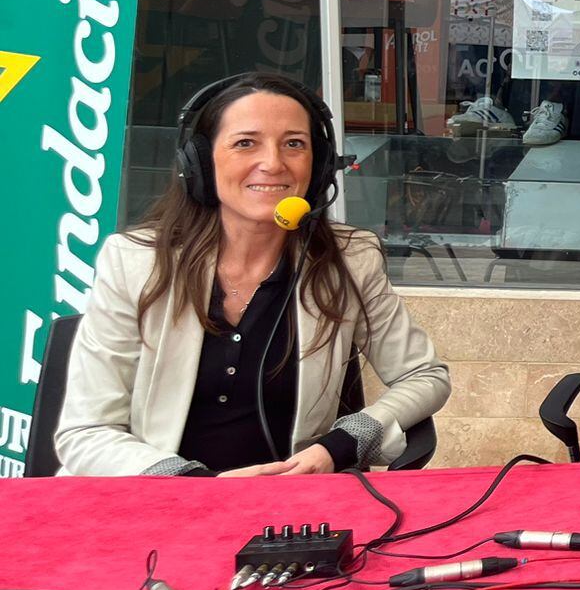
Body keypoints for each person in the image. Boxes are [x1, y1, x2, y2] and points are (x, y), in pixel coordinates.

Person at [58, 73, 450, 476]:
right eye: (246, 143)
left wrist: (344, 443)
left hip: (292, 508)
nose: (273, 163)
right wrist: (193, 484)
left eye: (294, 144)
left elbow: (424, 375)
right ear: (199, 161)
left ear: (317, 167)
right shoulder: (134, 262)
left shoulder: (350, 259)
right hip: (161, 501)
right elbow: (87, 430)